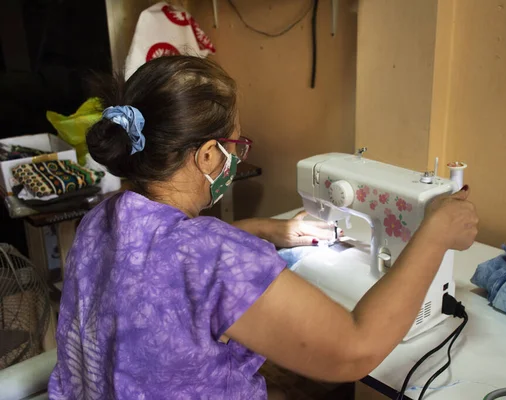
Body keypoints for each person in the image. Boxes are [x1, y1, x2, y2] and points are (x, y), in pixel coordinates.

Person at [48, 55, 478, 400]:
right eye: (236, 144)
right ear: (209, 156)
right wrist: (435, 235)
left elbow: (167, 257)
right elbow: (355, 351)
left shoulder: (101, 218)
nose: (237, 155)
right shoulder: (213, 255)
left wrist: (270, 230)